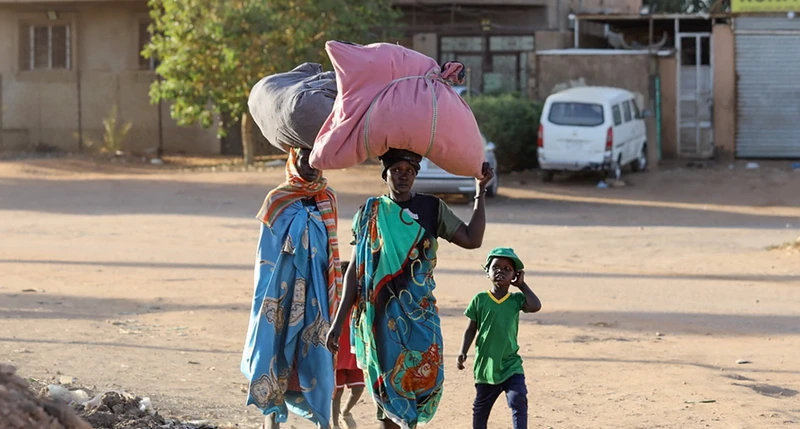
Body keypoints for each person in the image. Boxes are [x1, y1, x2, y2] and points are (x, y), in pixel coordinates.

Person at [326, 148, 495, 429]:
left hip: (421, 316)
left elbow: (471, 239)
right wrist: (337, 322)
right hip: (380, 320)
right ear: (385, 174)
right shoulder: (370, 212)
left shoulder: (432, 208)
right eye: (396, 170)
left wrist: (480, 191)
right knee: (388, 394)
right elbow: (356, 274)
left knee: (419, 385)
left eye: (409, 171)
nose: (402, 176)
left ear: (416, 174)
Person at [241, 148, 342, 429]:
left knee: (318, 354)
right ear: (292, 160)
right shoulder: (277, 200)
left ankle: (323, 420)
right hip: (279, 295)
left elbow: (331, 250)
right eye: (303, 159)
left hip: (317, 293)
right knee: (273, 349)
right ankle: (270, 419)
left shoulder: (327, 198)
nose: (310, 166)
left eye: (315, 159)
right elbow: (266, 257)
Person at [456, 247, 542, 429]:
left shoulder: (516, 300)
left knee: (518, 399)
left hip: (511, 364)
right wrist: (463, 351)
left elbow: (535, 306)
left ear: (515, 275)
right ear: (487, 271)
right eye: (495, 268)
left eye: (507, 269)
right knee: (481, 409)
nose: (500, 272)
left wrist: (522, 286)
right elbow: (471, 328)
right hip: (486, 366)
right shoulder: (480, 299)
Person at [332, 260, 365, 429]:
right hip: (339, 355)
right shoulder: (334, 302)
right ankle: (335, 424)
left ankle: (346, 412)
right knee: (336, 393)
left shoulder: (359, 302)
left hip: (354, 354)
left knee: (358, 389)